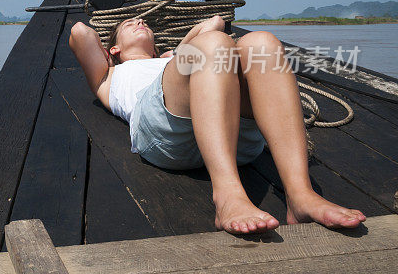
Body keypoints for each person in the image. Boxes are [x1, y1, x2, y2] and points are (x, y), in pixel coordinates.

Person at [68, 15, 366, 235]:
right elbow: (80, 33)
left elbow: (214, 23)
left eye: (143, 20)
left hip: (233, 135)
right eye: (129, 24)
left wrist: (183, 47)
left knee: (262, 42)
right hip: (167, 135)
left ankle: (300, 196)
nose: (141, 20)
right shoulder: (108, 77)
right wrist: (107, 56)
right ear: (114, 49)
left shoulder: (174, 58)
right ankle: (227, 194)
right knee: (213, 45)